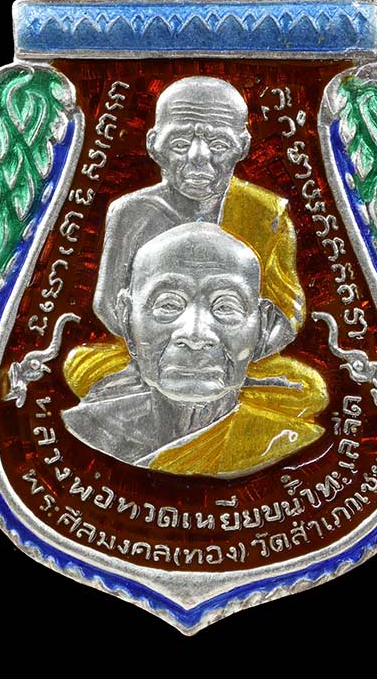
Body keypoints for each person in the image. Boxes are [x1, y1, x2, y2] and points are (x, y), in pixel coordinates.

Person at [64, 75, 327, 432]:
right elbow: (109, 303)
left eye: (218, 143)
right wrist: (147, 353)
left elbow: (286, 309)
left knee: (309, 389)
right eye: (180, 142)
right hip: (148, 350)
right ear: (154, 144)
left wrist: (236, 357)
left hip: (236, 352)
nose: (199, 157)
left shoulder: (264, 212)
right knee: (81, 366)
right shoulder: (131, 212)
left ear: (243, 146)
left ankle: (196, 400)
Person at [62, 224, 325, 476]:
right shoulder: (88, 428)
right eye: (168, 305)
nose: (195, 335)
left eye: (226, 307)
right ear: (126, 318)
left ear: (263, 326)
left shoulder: (286, 440)